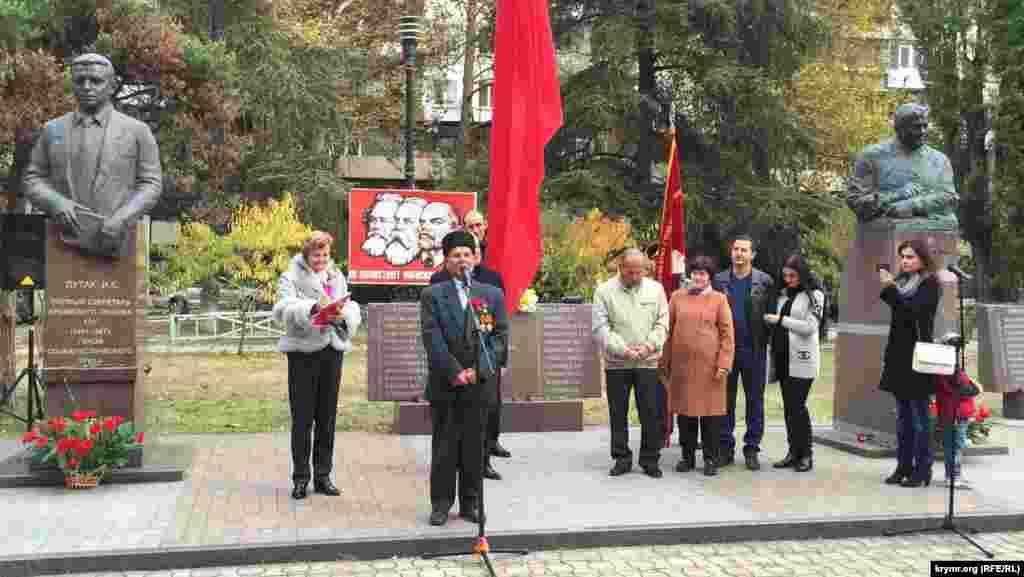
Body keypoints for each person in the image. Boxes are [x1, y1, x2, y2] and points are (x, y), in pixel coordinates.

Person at [23, 53, 162, 257]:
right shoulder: (53, 130)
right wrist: (55, 202)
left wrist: (122, 219)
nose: (87, 87)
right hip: (64, 237)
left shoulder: (136, 131)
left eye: (96, 81)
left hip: (116, 238)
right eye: (80, 81)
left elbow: (151, 184)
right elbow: (32, 178)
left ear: (112, 85)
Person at [421, 230, 508, 526]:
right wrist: (455, 371)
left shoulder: (490, 294)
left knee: (474, 446)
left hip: (479, 384)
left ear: (475, 258)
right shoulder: (433, 294)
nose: (462, 260)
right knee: (445, 446)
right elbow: (432, 338)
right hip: (447, 383)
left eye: (467, 255)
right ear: (446, 261)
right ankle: (441, 504)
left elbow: (499, 337)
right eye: (456, 255)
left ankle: (471, 504)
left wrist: (478, 370)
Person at [273, 231, 362, 500]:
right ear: (306, 254)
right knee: (302, 418)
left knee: (327, 417)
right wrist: (312, 308)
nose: (321, 259)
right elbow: (282, 310)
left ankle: (323, 476)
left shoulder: (336, 275)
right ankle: (301, 478)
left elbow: (349, 304)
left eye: (325, 254)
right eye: (316, 255)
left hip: (331, 349)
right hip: (303, 353)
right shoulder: (291, 276)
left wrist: (344, 314)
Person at [592, 248, 669, 478]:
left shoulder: (655, 290)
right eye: (630, 272)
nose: (635, 277)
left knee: (651, 413)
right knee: (618, 413)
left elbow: (663, 323)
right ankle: (621, 458)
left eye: (640, 272)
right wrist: (622, 350)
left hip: (648, 362)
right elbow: (600, 328)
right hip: (618, 363)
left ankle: (650, 459)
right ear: (620, 268)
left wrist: (648, 347)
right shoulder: (604, 291)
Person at [659, 255, 734, 477]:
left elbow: (727, 335)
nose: (698, 277)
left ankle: (710, 459)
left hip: (711, 369)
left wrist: (724, 363)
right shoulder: (677, 297)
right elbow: (667, 330)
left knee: (710, 417)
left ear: (709, 277)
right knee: (686, 415)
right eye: (694, 273)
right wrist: (664, 361)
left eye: (702, 273)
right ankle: (687, 457)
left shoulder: (719, 299)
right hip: (682, 368)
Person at [879, 239, 941, 488]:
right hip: (898, 356)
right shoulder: (902, 281)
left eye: (911, 257)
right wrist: (892, 287)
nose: (905, 261)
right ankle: (903, 466)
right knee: (903, 418)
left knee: (919, 417)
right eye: (902, 256)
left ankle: (922, 468)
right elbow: (898, 311)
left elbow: (911, 312)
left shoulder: (929, 284)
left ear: (923, 260)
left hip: (918, 357)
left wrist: (890, 289)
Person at [713, 234, 775, 470]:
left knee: (754, 402)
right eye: (736, 249)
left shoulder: (765, 281)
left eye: (744, 250)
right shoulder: (719, 281)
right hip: (725, 351)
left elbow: (770, 318)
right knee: (724, 401)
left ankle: (751, 449)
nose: (739, 253)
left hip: (754, 350)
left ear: (752, 255)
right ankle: (725, 448)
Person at [846, 103, 958, 230]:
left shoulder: (939, 160)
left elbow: (949, 198)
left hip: (933, 235)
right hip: (881, 237)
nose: (922, 132)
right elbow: (856, 201)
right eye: (916, 127)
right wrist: (897, 195)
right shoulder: (872, 156)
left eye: (925, 126)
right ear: (899, 128)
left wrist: (912, 205)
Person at [765, 254, 824, 473]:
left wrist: (780, 320)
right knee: (789, 408)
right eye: (786, 276)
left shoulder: (815, 295)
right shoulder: (782, 295)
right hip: (782, 357)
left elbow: (810, 327)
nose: (788, 279)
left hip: (802, 359)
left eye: (793, 275)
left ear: (802, 274)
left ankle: (806, 454)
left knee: (798, 407)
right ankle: (793, 453)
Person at [935, 371, 979, 488]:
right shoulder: (956, 374)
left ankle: (950, 475)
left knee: (949, 446)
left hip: (946, 413)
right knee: (957, 447)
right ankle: (955, 476)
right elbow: (973, 390)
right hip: (958, 414)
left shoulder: (940, 375)